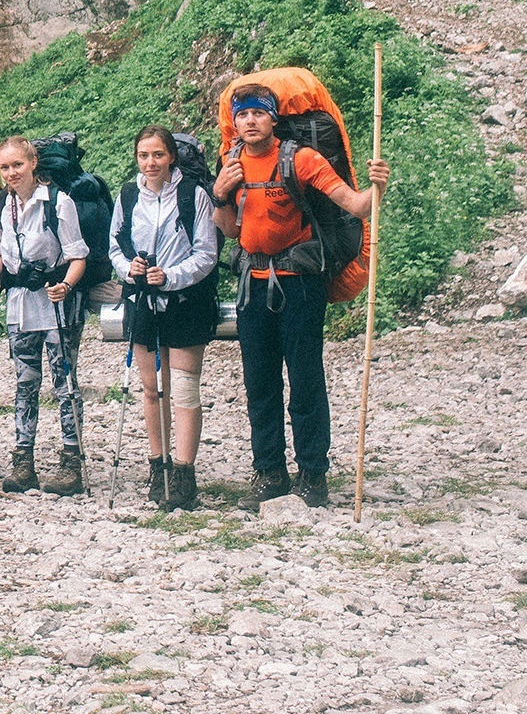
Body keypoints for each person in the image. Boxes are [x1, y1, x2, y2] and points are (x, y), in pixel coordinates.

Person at [213, 86, 389, 506]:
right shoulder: (231, 163)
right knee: (259, 381)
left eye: (259, 113)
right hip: (251, 282)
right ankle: (269, 472)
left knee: (305, 377)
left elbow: (357, 206)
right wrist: (220, 192)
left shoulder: (303, 159)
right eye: (243, 115)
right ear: (234, 122)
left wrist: (378, 188)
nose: (250, 121)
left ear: (274, 119)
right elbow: (229, 230)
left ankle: (313, 473)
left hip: (299, 284)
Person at [114, 127, 220, 510]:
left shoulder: (194, 196)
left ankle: (184, 472)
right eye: (143, 155)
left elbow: (206, 254)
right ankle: (157, 466)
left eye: (157, 155)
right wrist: (131, 268)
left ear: (171, 156)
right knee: (151, 388)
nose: (150, 163)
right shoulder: (128, 195)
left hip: (186, 300)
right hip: (144, 299)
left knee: (185, 388)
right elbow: (115, 245)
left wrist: (171, 276)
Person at [0, 136, 87, 496]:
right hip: (20, 305)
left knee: (64, 383)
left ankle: (72, 463)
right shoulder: (2, 203)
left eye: (17, 165)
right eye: (5, 167)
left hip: (58, 303)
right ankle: (23, 462)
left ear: (33, 164)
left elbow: (77, 256)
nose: (11, 173)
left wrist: (67, 287)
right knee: (25, 384)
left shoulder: (59, 202)